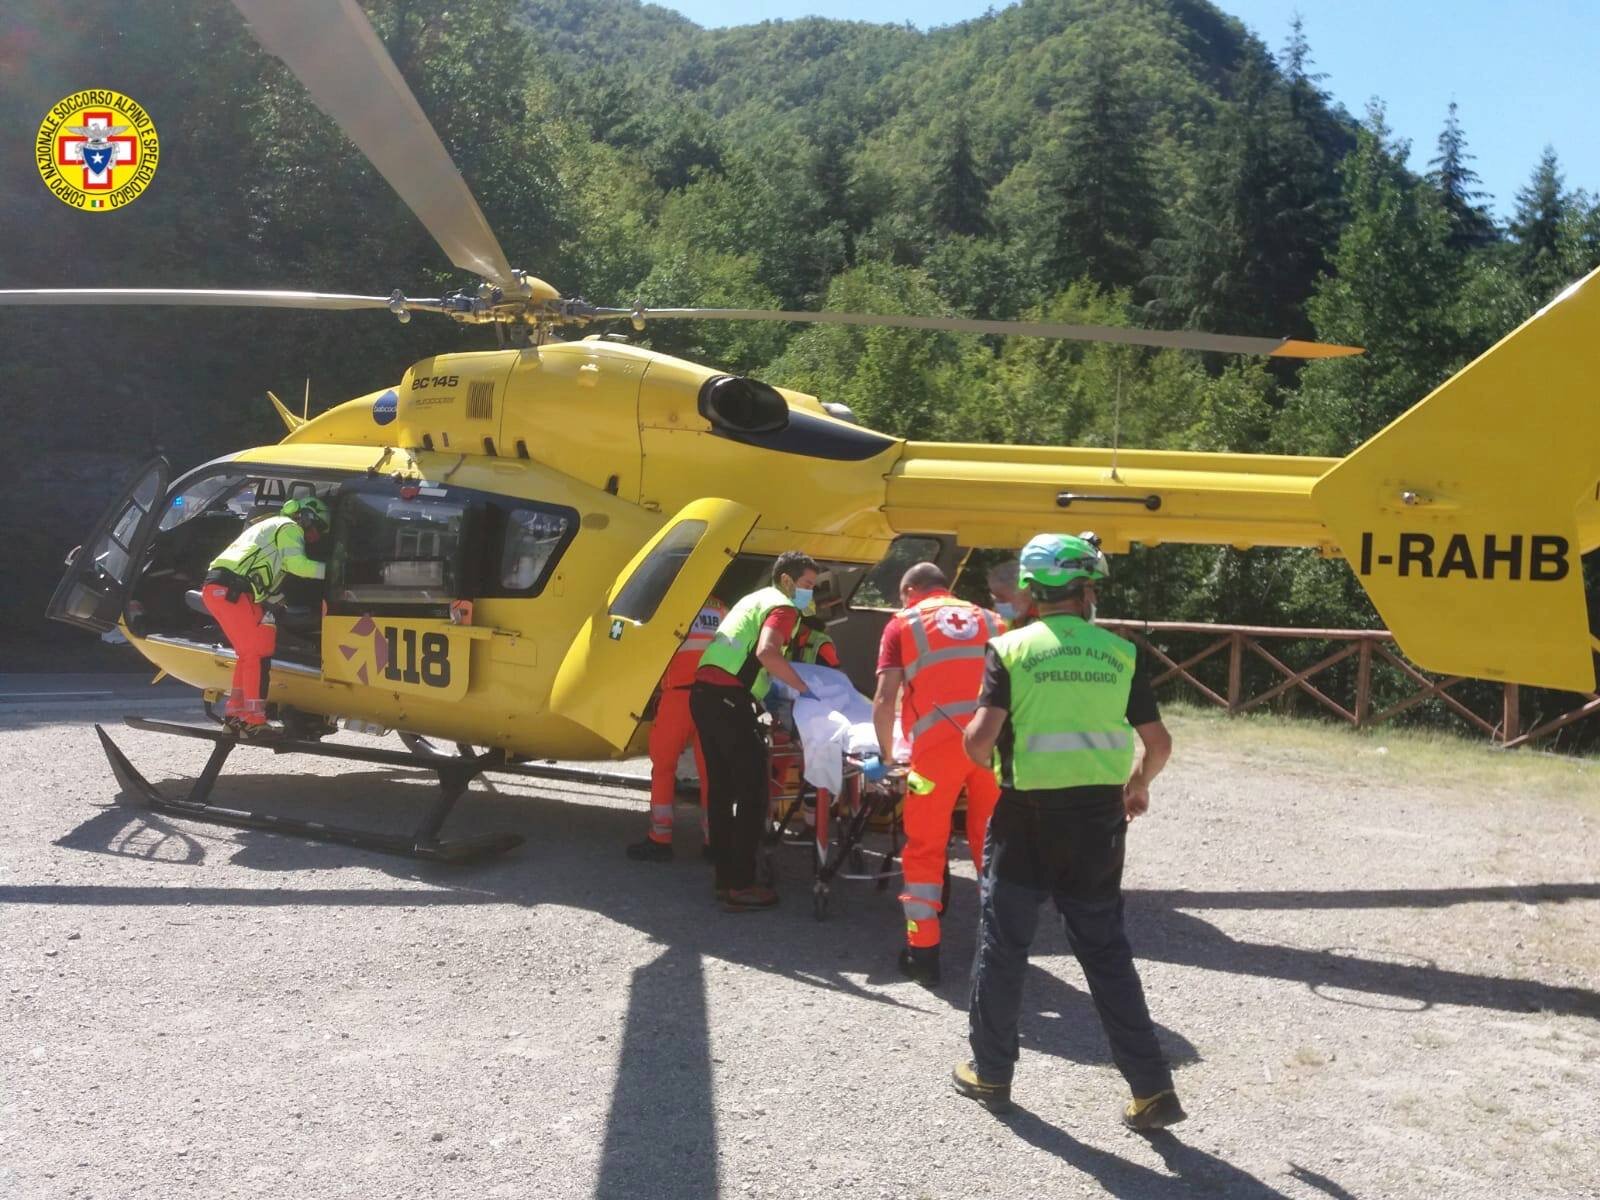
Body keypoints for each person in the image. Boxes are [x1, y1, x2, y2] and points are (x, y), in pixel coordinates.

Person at [953, 533, 1184, 1131]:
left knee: (1005, 945)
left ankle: (991, 1072)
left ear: (1030, 593)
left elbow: (979, 746)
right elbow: (1157, 744)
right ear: (1087, 591)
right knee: (1106, 951)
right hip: (1100, 819)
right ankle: (1152, 1089)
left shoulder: (1008, 649)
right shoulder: (1121, 652)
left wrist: (976, 743)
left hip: (1025, 816)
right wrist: (1137, 785)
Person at [872, 562, 1002, 986]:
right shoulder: (992, 619)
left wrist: (888, 755)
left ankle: (923, 953)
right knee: (993, 844)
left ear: (910, 590)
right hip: (991, 746)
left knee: (926, 846)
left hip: (935, 752)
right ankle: (1000, 946)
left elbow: (885, 696)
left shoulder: (902, 624)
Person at [691, 552, 819, 912]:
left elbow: (748, 657)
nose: (810, 593)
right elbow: (767, 653)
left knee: (720, 790)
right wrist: (805, 690)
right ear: (788, 581)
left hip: (704, 697)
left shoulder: (753, 599)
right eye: (807, 585)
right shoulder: (782, 606)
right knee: (752, 794)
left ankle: (724, 878)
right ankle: (742, 885)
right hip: (728, 701)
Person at [202, 496, 330, 733]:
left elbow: (269, 584)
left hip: (222, 589)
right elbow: (298, 566)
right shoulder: (289, 527)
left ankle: (236, 715)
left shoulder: (268, 528)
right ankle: (254, 720)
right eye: (318, 528)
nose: (316, 536)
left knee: (248, 654)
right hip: (233, 591)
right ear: (307, 518)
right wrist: (333, 572)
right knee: (259, 652)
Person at [628, 594, 727, 862]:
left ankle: (660, 839)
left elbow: (650, 648)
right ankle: (713, 842)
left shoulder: (675, 604)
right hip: (713, 698)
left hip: (678, 698)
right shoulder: (722, 611)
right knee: (711, 772)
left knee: (664, 767)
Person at [986, 559, 1035, 630]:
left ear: (1024, 596)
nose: (996, 602)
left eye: (1001, 597)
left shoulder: (1043, 624)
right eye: (994, 596)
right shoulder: (1007, 622)